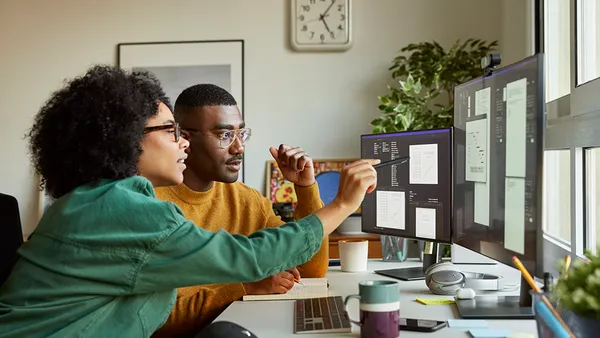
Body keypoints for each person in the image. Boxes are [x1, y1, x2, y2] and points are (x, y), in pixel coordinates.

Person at [0, 65, 379, 338]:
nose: (182, 142)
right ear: (126, 138)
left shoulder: (94, 202)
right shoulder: (120, 209)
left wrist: (309, 191)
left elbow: (297, 268)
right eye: (171, 131)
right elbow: (250, 259)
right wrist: (342, 203)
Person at [152, 84, 328, 336]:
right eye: (225, 136)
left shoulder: (247, 200)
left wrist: (306, 187)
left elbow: (310, 270)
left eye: (241, 135)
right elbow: (156, 319)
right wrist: (245, 287)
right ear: (186, 139)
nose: (239, 148)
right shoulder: (151, 206)